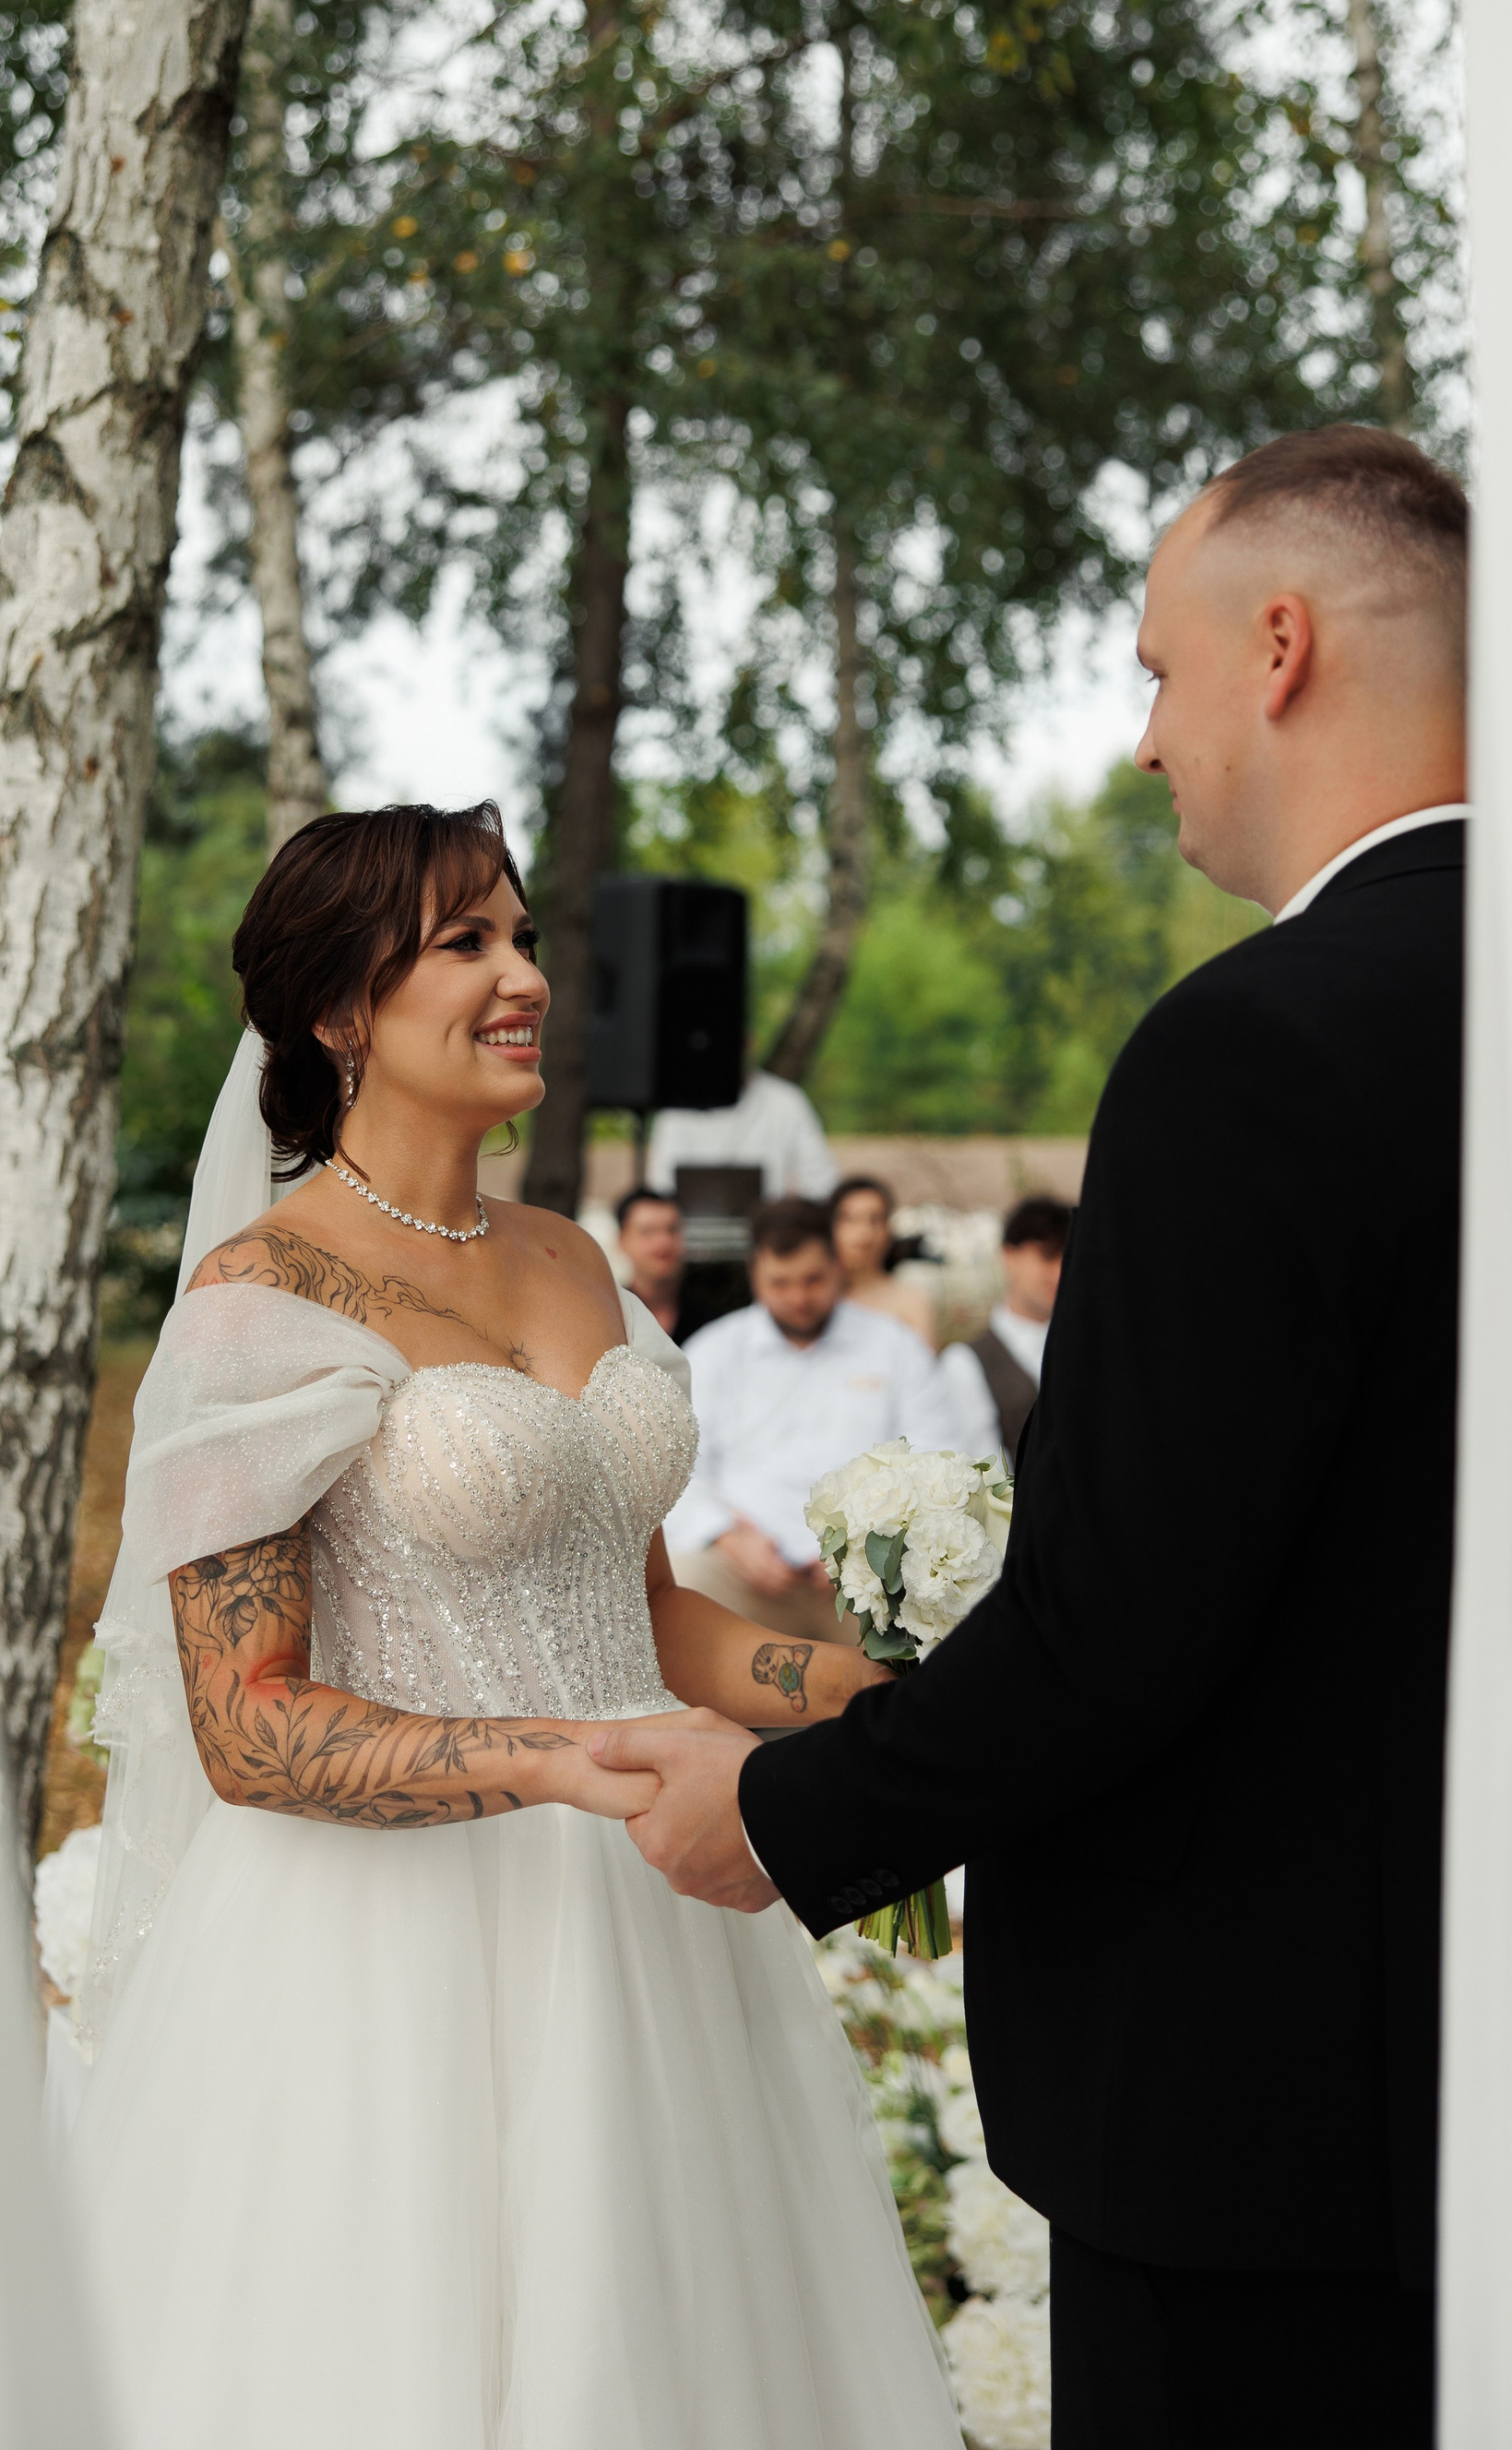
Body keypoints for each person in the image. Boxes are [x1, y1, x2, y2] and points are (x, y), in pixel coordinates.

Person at [594, 424, 1469, 2450]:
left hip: (1278, 2124)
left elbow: (1128, 1617)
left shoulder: (1257, 1051)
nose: (1148, 741)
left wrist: (793, 1814)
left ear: (1281, 647)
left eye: (1158, 670)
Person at [63, 802, 960, 2450]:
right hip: (388, 1960)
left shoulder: (576, 1264)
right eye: (465, 942)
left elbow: (650, 1620)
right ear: (342, 1009)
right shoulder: (262, 1301)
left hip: (658, 1910)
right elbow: (248, 1728)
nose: (526, 977)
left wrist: (870, 1691)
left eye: (526, 938)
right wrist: (561, 1761)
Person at [664, 1196, 964, 1645]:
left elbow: (938, 1456)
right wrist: (728, 1536)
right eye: (780, 1283)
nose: (799, 1298)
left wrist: (867, 1549)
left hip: (874, 1575)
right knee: (679, 1584)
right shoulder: (714, 1351)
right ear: (755, 1274)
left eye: (813, 1280)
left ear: (838, 1267)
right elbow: (677, 1469)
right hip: (741, 1567)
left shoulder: (895, 1347)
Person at [936, 1195, 1074, 1464]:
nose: (1059, 1272)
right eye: (1048, 1256)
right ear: (1010, 1257)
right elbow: (983, 1470)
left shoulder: (1092, 1347)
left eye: (1068, 1258)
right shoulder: (966, 1362)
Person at [646, 1058, 836, 1201]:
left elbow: (822, 1184)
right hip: (689, 1231)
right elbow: (663, 1187)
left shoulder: (786, 1100)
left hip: (769, 1231)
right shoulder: (675, 1106)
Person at [829, 1174, 940, 1350]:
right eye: (850, 1219)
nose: (864, 1232)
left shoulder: (912, 1302)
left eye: (875, 1220)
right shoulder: (816, 1298)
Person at [613, 1182, 707, 1344]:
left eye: (672, 1230)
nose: (663, 1243)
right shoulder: (610, 1319)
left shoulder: (710, 1323)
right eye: (648, 1232)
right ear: (622, 1241)